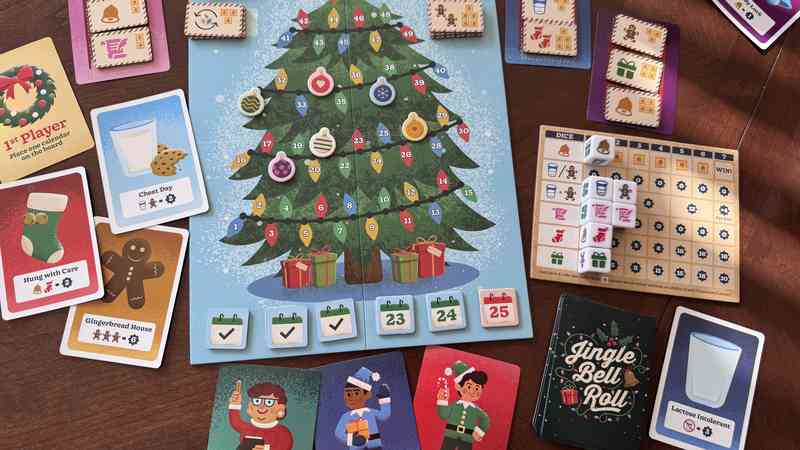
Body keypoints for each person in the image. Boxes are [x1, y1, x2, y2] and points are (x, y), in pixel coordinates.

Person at [436, 361, 490, 450]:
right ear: (458, 386)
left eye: (477, 388)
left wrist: (478, 432)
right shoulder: (454, 405)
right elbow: (443, 416)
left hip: (467, 439)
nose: (473, 391)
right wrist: (442, 401)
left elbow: (486, 419)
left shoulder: (476, 410)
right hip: (450, 436)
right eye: (469, 386)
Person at [334, 367, 391, 449]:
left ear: (368, 395)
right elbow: (338, 433)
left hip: (374, 447)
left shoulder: (370, 412)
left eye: (356, 393)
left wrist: (384, 398)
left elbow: (384, 415)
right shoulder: (346, 417)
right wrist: (352, 439)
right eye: (348, 394)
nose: (351, 397)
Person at [228, 380, 294, 450]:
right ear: (250, 407)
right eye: (257, 401)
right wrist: (235, 404)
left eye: (269, 402)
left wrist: (266, 448)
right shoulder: (247, 427)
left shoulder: (282, 432)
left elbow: (286, 446)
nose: (261, 407)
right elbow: (235, 422)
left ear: (281, 409)